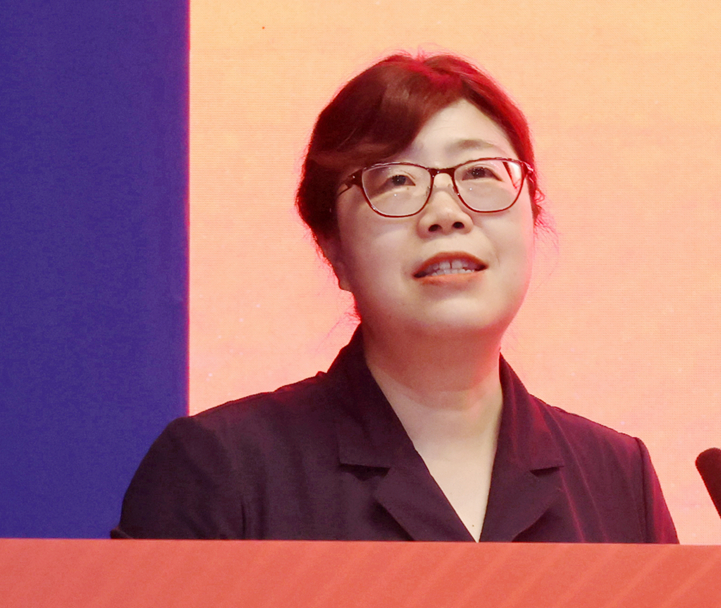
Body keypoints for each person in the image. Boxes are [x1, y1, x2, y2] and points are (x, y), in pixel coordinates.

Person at [114, 52, 678, 542]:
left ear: (533, 215)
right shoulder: (223, 471)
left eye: (481, 172)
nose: (446, 213)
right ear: (333, 248)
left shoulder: (616, 477)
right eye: (397, 181)